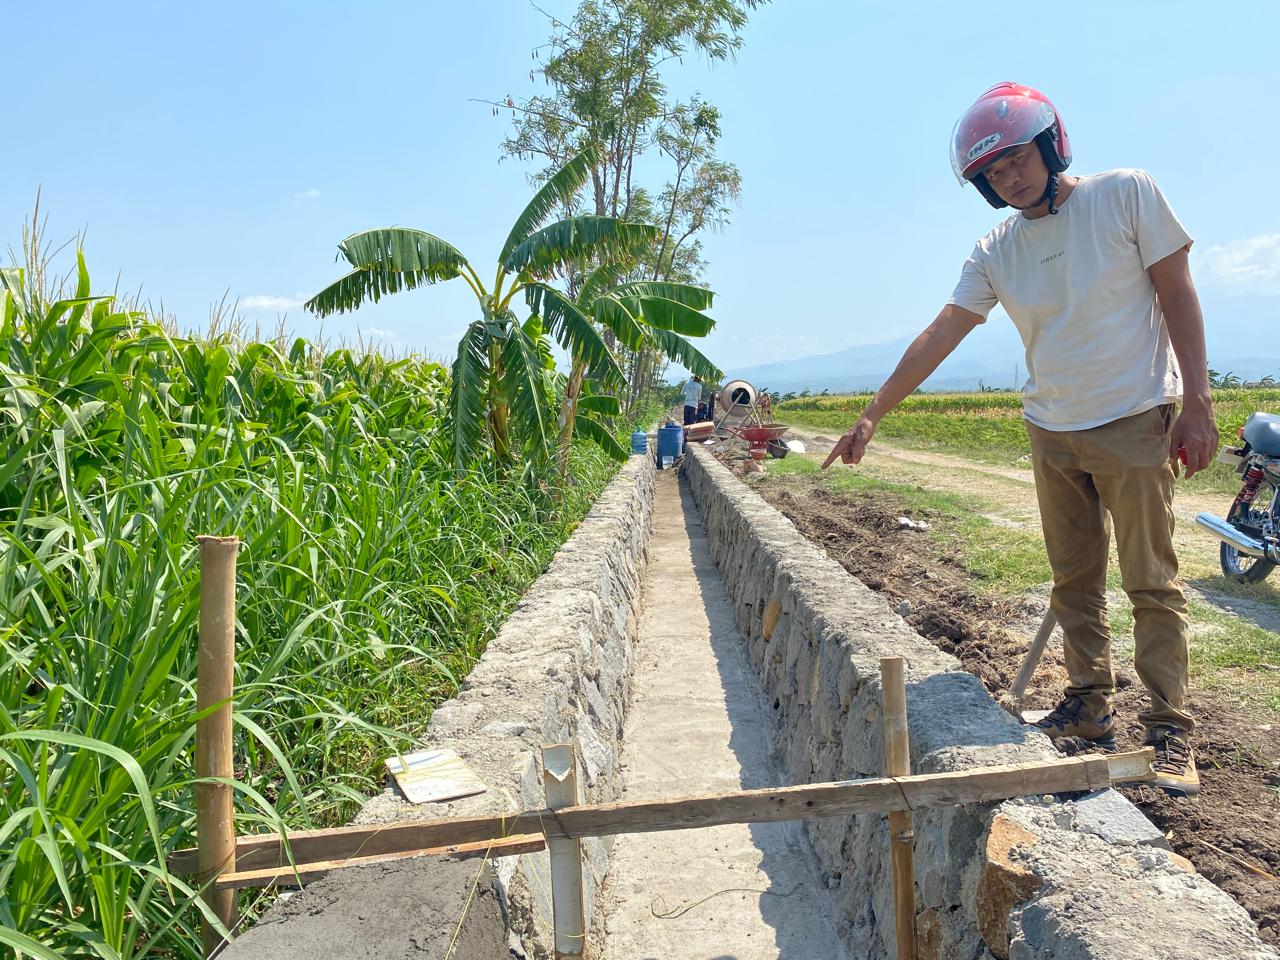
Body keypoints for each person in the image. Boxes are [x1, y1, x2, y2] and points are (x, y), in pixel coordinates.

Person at [821, 82, 1217, 796]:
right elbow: (943, 331)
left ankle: (1169, 730)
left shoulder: (1125, 193)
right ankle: (1089, 706)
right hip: (1052, 430)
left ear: (1051, 145)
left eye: (1018, 159)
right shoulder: (996, 249)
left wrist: (1197, 402)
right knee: (1073, 581)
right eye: (993, 172)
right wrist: (873, 413)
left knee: (1151, 582)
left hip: (1133, 418)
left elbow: (1177, 292)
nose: (1010, 177)